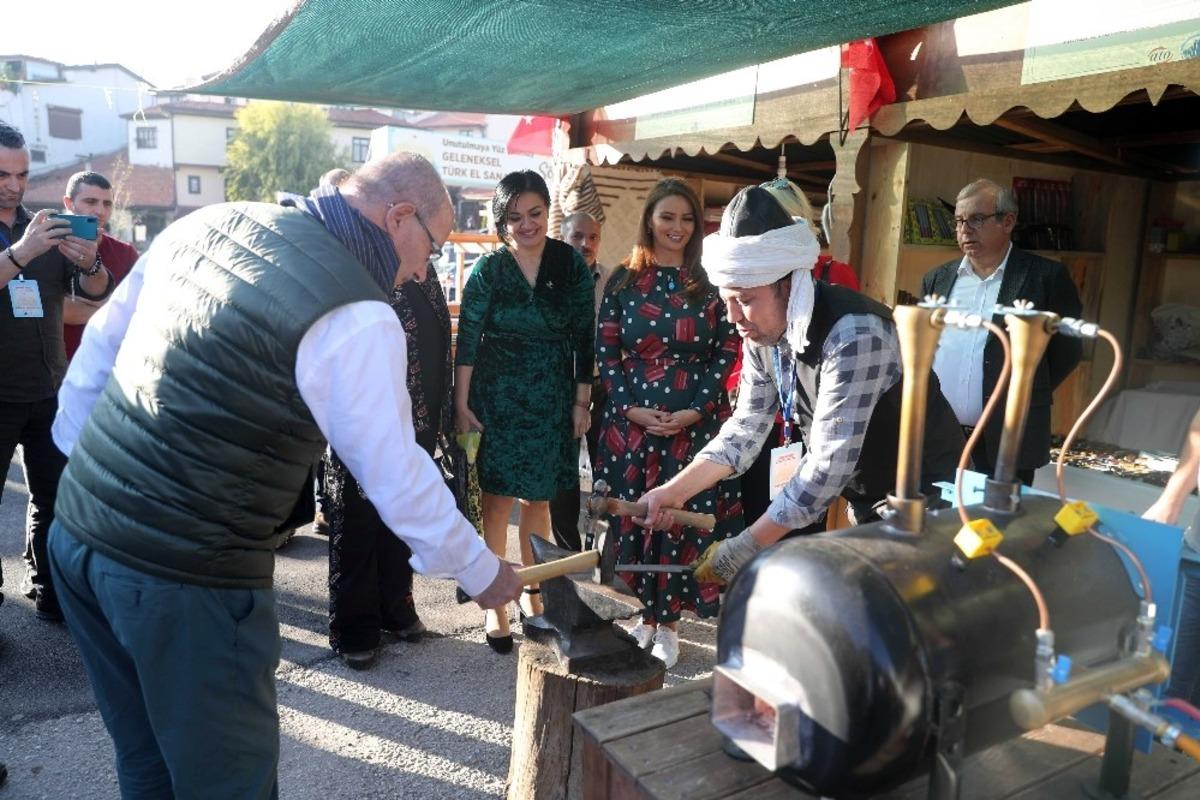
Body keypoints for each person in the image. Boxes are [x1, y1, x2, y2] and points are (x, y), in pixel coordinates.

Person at [47, 151, 522, 798]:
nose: (422, 268)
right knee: (228, 786)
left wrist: (91, 476)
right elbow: (394, 472)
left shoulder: (210, 222)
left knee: (147, 761)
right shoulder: (357, 313)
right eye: (431, 247)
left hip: (78, 535)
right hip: (184, 578)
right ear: (399, 216)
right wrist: (481, 569)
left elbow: (100, 351)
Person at [639, 186, 962, 585]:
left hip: (929, 495)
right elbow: (744, 429)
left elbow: (826, 466)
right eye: (727, 300)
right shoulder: (761, 330)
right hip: (869, 494)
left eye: (744, 299)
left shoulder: (855, 335)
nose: (734, 316)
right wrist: (672, 491)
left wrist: (745, 546)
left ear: (788, 285)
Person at [594, 178, 742, 668]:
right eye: (667, 217)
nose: (677, 228)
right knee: (638, 519)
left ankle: (671, 622)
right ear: (650, 221)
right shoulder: (621, 281)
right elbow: (608, 353)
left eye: (686, 219)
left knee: (681, 523)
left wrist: (697, 410)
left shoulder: (712, 282)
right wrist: (630, 408)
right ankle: (646, 614)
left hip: (694, 425)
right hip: (632, 425)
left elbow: (727, 350)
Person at [454, 170, 595, 653]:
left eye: (535, 213)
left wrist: (582, 400)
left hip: (554, 395)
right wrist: (461, 403)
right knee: (496, 502)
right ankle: (494, 608)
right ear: (501, 219)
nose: (526, 224)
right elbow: (467, 342)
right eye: (514, 217)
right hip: (498, 395)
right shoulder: (489, 269)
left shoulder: (570, 263)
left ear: (547, 212)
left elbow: (584, 336)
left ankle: (533, 597)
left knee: (539, 501)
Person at [0, 122, 112, 622]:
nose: (14, 185)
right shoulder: (30, 238)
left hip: (49, 389)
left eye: (21, 174)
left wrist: (89, 264)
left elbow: (93, 293)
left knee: (56, 502)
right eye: (3, 174)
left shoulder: (44, 223)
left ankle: (53, 593)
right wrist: (22, 252)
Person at [319, 260, 454, 669]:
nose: (433, 247)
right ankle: (355, 625)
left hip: (418, 416)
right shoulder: (360, 264)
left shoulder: (424, 269)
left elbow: (435, 342)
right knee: (359, 517)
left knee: (401, 513)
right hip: (365, 417)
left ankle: (395, 606)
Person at [921, 178, 1083, 485]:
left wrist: (1022, 389)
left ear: (1008, 221)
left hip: (1009, 432)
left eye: (977, 220)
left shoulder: (1045, 277)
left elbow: (1068, 351)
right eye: (959, 221)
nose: (965, 230)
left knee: (998, 528)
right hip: (940, 435)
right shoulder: (937, 279)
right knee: (935, 524)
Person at [549, 210, 607, 551]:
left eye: (593, 237)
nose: (585, 244)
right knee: (564, 474)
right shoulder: (549, 280)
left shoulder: (613, 280)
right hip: (561, 388)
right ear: (563, 236)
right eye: (577, 236)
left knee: (606, 469)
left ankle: (602, 547)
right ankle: (567, 552)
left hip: (603, 386)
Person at [61, 171, 140, 361]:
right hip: (54, 367)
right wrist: (112, 307)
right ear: (69, 203)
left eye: (107, 204)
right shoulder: (45, 246)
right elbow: (53, 310)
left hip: (107, 364)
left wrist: (78, 307)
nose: (100, 211)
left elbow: (136, 310)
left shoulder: (126, 253)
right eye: (90, 201)